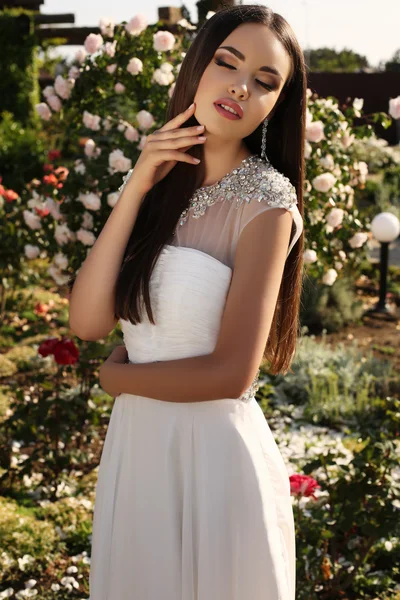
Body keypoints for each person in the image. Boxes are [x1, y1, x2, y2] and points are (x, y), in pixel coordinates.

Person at [69, 4, 306, 599]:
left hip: (213, 462)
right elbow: (88, 319)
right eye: (228, 63)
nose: (239, 86)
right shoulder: (158, 185)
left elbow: (233, 372)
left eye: (264, 80)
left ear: (276, 103)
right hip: (138, 452)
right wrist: (137, 182)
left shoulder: (268, 203)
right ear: (198, 66)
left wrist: (117, 381)